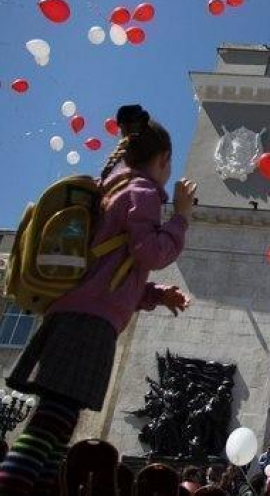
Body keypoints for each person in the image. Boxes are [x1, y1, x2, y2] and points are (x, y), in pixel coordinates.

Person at [0, 104, 194, 496]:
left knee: (60, 423)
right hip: (88, 325)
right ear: (163, 160)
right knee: (50, 424)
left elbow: (110, 271)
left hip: (76, 314)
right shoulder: (142, 191)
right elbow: (151, 252)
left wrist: (156, 294)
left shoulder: (110, 190)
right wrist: (181, 217)